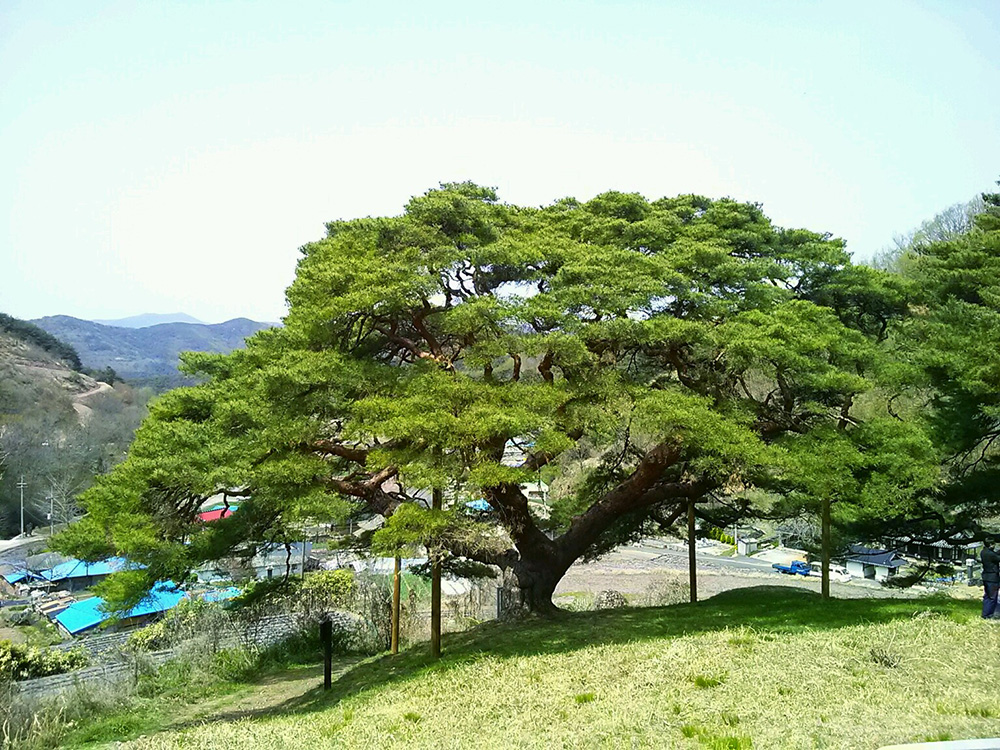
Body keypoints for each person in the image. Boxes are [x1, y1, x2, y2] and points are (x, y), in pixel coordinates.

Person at [981, 537, 1000, 619]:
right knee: (992, 597)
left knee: (987, 596)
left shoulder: (983, 552)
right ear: (991, 544)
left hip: (986, 576)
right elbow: (998, 558)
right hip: (992, 578)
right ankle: (989, 615)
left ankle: (985, 614)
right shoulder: (990, 554)